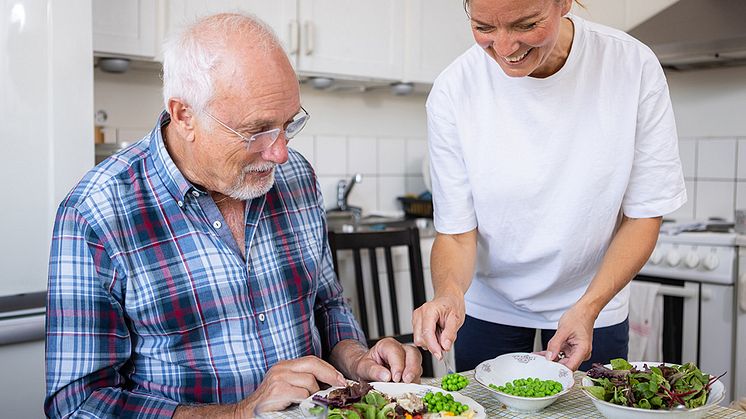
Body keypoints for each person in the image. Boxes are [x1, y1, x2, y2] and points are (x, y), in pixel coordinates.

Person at [45, 13, 421, 418]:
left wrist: (357, 358)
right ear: (185, 115)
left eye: (288, 124)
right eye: (257, 130)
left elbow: (327, 304)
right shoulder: (96, 214)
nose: (279, 153)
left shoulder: (296, 177)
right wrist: (240, 412)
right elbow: (78, 404)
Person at [412, 0, 686, 372]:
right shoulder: (454, 89)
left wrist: (589, 306)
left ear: (564, 4)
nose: (505, 48)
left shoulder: (630, 66)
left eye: (526, 25)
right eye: (484, 27)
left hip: (595, 301)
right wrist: (448, 294)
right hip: (491, 306)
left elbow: (643, 216)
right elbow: (457, 234)